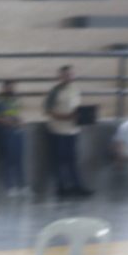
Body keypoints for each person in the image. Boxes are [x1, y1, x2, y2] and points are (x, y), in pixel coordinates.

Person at [43, 66, 87, 199]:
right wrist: (64, 117)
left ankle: (76, 186)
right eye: (66, 75)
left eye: (70, 75)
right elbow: (47, 110)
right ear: (60, 77)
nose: (68, 77)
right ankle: (61, 187)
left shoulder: (76, 90)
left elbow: (77, 108)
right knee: (59, 160)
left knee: (72, 160)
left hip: (72, 130)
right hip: (58, 130)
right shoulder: (54, 91)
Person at [0, 79, 28, 196]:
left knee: (18, 159)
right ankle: (9, 186)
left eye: (12, 87)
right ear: (4, 88)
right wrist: (2, 120)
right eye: (9, 87)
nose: (11, 89)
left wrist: (20, 120)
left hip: (17, 131)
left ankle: (22, 185)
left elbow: (16, 113)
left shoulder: (15, 100)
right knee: (8, 160)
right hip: (5, 132)